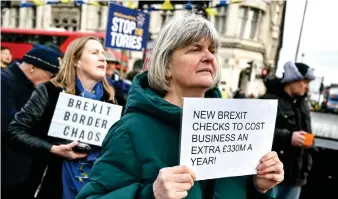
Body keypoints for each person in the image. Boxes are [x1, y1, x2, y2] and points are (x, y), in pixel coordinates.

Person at [76, 13, 283, 199]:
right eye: (195, 49)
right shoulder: (130, 130)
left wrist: (260, 188)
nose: (209, 57)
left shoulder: (233, 126)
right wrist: (151, 195)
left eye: (212, 50)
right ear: (166, 65)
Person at [6, 36, 116, 199]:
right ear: (76, 61)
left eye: (102, 53)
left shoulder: (113, 100)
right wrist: (53, 149)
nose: (102, 58)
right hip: (53, 186)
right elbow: (14, 132)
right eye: (94, 52)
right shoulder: (50, 91)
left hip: (97, 189)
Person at [1, 44, 61, 199]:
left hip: (20, 172)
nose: (52, 81)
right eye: (50, 75)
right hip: (7, 173)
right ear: (33, 68)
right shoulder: (4, 81)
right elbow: (7, 126)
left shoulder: (28, 85)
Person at [260, 61, 315, 199]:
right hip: (272, 175)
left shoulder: (303, 105)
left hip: (297, 176)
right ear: (292, 80)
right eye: (305, 81)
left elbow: (309, 133)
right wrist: (288, 137)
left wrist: (310, 143)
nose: (307, 86)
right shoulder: (269, 100)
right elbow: (256, 132)